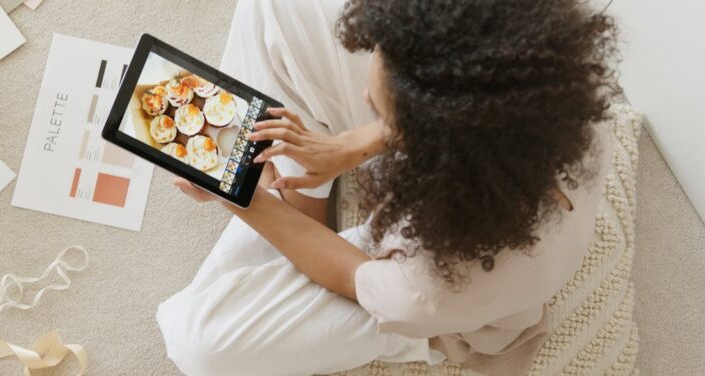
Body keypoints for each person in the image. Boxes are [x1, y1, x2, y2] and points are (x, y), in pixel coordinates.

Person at [155, 0, 620, 375]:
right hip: (459, 160)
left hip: (422, 278)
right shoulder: (550, 94)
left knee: (197, 344)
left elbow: (347, 273)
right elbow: (450, 109)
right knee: (275, 11)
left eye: (378, 111)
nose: (362, 100)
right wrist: (349, 147)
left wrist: (244, 198)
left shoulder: (440, 286)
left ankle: (292, 209)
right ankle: (299, 203)